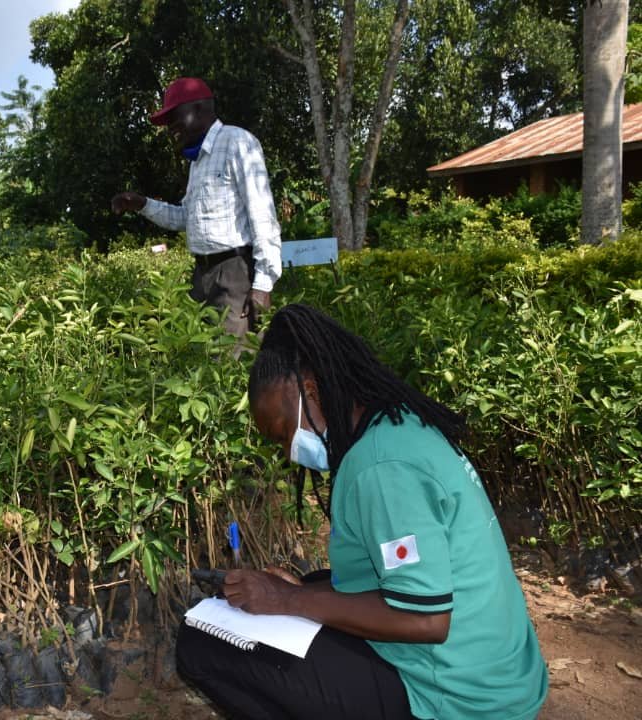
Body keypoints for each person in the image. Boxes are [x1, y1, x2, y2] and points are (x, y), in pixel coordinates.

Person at [176, 304, 548, 719]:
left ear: (311, 390)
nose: (289, 453)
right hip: (495, 672)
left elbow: (426, 622)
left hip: (457, 698)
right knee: (318, 583)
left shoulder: (380, 467)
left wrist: (287, 599)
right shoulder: (398, 426)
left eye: (284, 434)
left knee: (199, 645)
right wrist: (298, 592)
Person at [111, 77, 282, 337]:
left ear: (199, 109)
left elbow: (263, 217)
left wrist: (262, 285)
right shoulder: (198, 161)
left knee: (230, 362)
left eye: (174, 118)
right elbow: (186, 218)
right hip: (202, 275)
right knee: (201, 361)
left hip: (233, 275)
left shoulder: (237, 142)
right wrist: (142, 204)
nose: (171, 129)